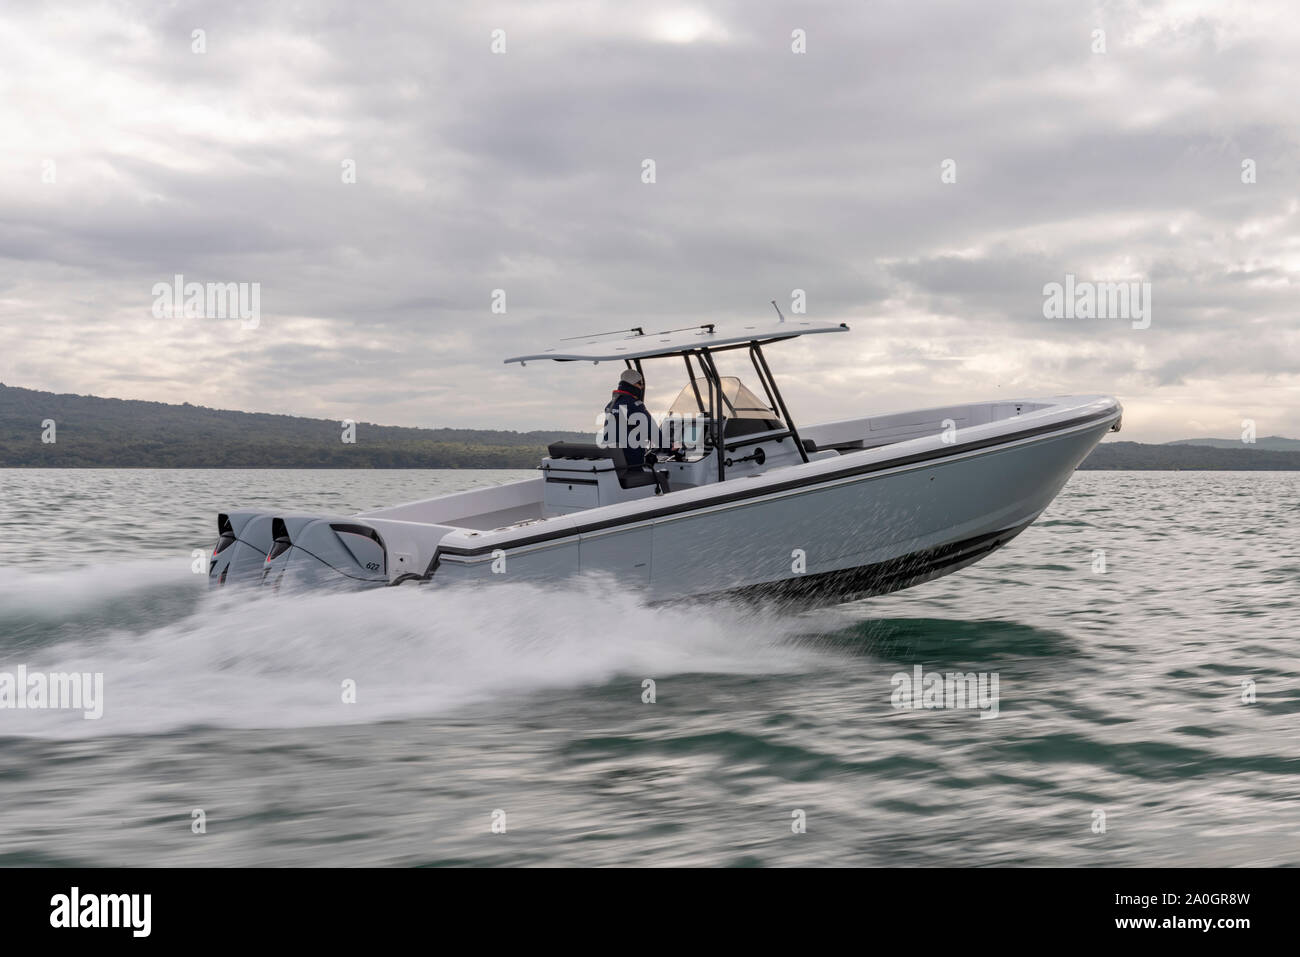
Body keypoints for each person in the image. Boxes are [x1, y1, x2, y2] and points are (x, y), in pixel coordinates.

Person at [602, 368, 658, 468]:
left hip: (611, 463)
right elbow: (653, 431)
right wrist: (670, 446)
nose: (642, 387)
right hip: (631, 464)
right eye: (640, 384)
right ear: (633, 385)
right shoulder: (635, 405)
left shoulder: (611, 405)